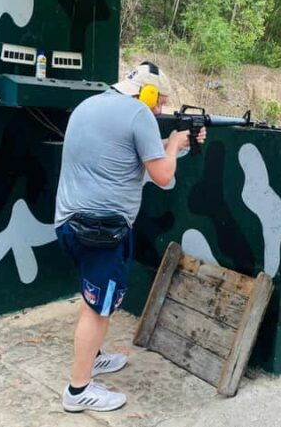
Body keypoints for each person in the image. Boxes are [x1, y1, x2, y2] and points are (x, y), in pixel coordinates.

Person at [54, 62, 205, 413]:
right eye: (160, 102)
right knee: (98, 309)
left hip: (69, 224)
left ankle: (93, 357)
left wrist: (172, 145)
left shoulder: (88, 106)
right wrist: (174, 146)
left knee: (93, 297)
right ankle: (78, 391)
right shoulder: (139, 113)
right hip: (101, 231)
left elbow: (126, 161)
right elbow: (163, 175)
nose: (161, 110)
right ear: (147, 93)